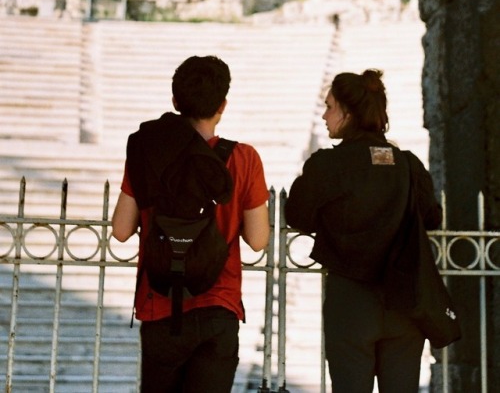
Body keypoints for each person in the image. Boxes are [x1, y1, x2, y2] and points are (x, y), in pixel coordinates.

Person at [112, 54, 270, 393]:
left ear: (175, 102)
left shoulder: (148, 152)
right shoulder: (244, 158)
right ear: (222, 105)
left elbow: (121, 230)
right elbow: (258, 240)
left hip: (160, 305)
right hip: (219, 306)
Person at [285, 69, 442, 393]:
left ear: (348, 113)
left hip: (351, 302)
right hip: (404, 303)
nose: (325, 115)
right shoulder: (409, 165)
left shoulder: (327, 165)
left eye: (330, 106)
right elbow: (432, 217)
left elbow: (298, 215)